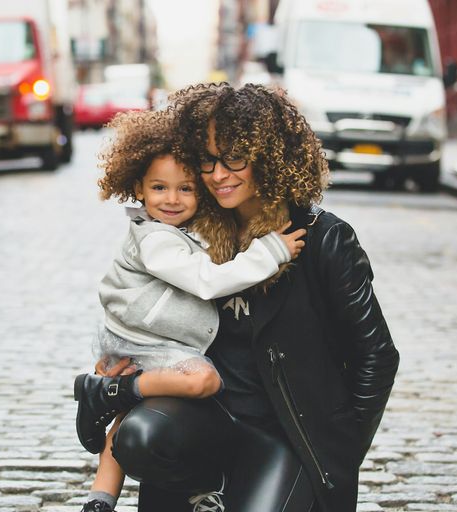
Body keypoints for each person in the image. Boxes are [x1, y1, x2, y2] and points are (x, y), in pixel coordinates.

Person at [107, 83, 401, 512]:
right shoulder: (190, 233)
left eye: (235, 158)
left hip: (288, 434)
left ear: (268, 155)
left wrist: (336, 452)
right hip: (207, 420)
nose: (218, 174)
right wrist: (120, 362)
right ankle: (206, 493)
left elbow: (376, 356)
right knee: (139, 437)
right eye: (207, 160)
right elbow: (140, 309)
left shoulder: (324, 239)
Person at [75, 108, 307, 512]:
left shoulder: (185, 229)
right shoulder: (156, 239)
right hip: (148, 340)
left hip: (144, 337)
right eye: (160, 188)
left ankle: (100, 497)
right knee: (203, 381)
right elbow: (206, 280)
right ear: (139, 189)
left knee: (124, 420)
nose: (172, 199)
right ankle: (112, 393)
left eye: (185, 188)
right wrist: (270, 251)